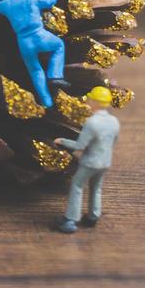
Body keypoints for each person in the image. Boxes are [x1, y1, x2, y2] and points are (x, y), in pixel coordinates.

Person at [0, 0, 68, 108]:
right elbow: (50, 0)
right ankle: (54, 75)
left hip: (24, 42)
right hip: (40, 34)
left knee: (35, 70)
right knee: (59, 45)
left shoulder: (6, 4)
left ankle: (47, 102)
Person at [53, 86, 120, 233]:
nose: (88, 101)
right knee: (96, 188)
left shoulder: (92, 123)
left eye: (90, 99)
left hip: (90, 162)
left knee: (77, 185)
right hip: (105, 162)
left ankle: (70, 220)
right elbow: (114, 141)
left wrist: (62, 141)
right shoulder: (114, 121)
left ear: (95, 102)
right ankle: (93, 216)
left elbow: (80, 145)